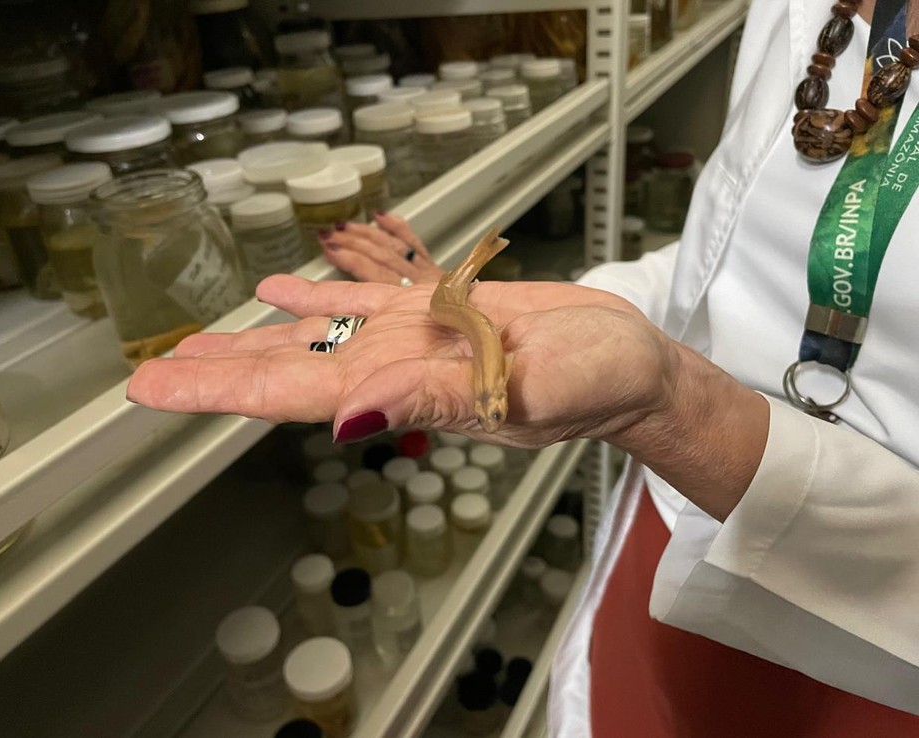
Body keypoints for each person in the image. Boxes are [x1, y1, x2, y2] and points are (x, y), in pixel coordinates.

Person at [127, 0, 919, 731]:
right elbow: (732, 254)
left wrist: (680, 406)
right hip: (668, 522)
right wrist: (535, 310)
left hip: (867, 620)